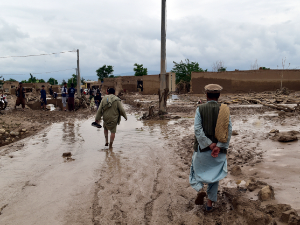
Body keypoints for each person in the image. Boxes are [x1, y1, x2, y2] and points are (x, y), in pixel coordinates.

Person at [189, 84, 232, 212]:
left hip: (202, 149)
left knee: (194, 172)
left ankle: (200, 189)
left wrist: (209, 144)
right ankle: (209, 204)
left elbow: (197, 129)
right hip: (219, 152)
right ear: (219, 95)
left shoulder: (200, 108)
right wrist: (218, 146)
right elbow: (228, 130)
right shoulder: (225, 109)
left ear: (206, 94)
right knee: (214, 177)